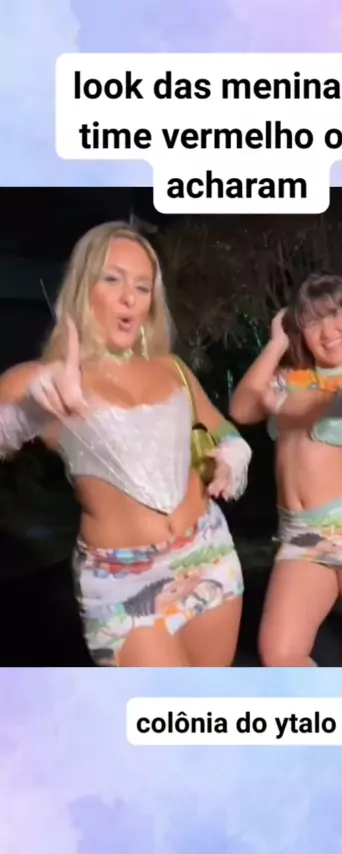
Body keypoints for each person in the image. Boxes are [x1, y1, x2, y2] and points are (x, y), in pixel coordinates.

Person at [0, 221, 251, 667]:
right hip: (123, 583)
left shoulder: (172, 368)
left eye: (142, 286)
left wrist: (235, 452)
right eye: (113, 279)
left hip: (208, 552)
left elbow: (221, 426)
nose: (129, 298)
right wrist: (26, 408)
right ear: (84, 288)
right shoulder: (44, 380)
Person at [230, 258, 342, 667]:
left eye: (335, 314)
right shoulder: (288, 378)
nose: (326, 332)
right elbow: (241, 409)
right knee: (280, 654)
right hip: (301, 534)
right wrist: (277, 343)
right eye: (312, 321)